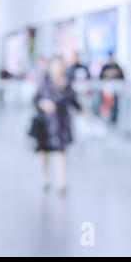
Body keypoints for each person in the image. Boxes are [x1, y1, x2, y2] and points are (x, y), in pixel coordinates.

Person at [31, 56, 83, 193]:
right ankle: (44, 177)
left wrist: (83, 110)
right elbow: (35, 100)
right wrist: (43, 104)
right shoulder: (44, 83)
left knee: (61, 152)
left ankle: (62, 182)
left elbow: (74, 101)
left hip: (61, 124)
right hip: (45, 124)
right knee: (44, 153)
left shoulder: (67, 84)